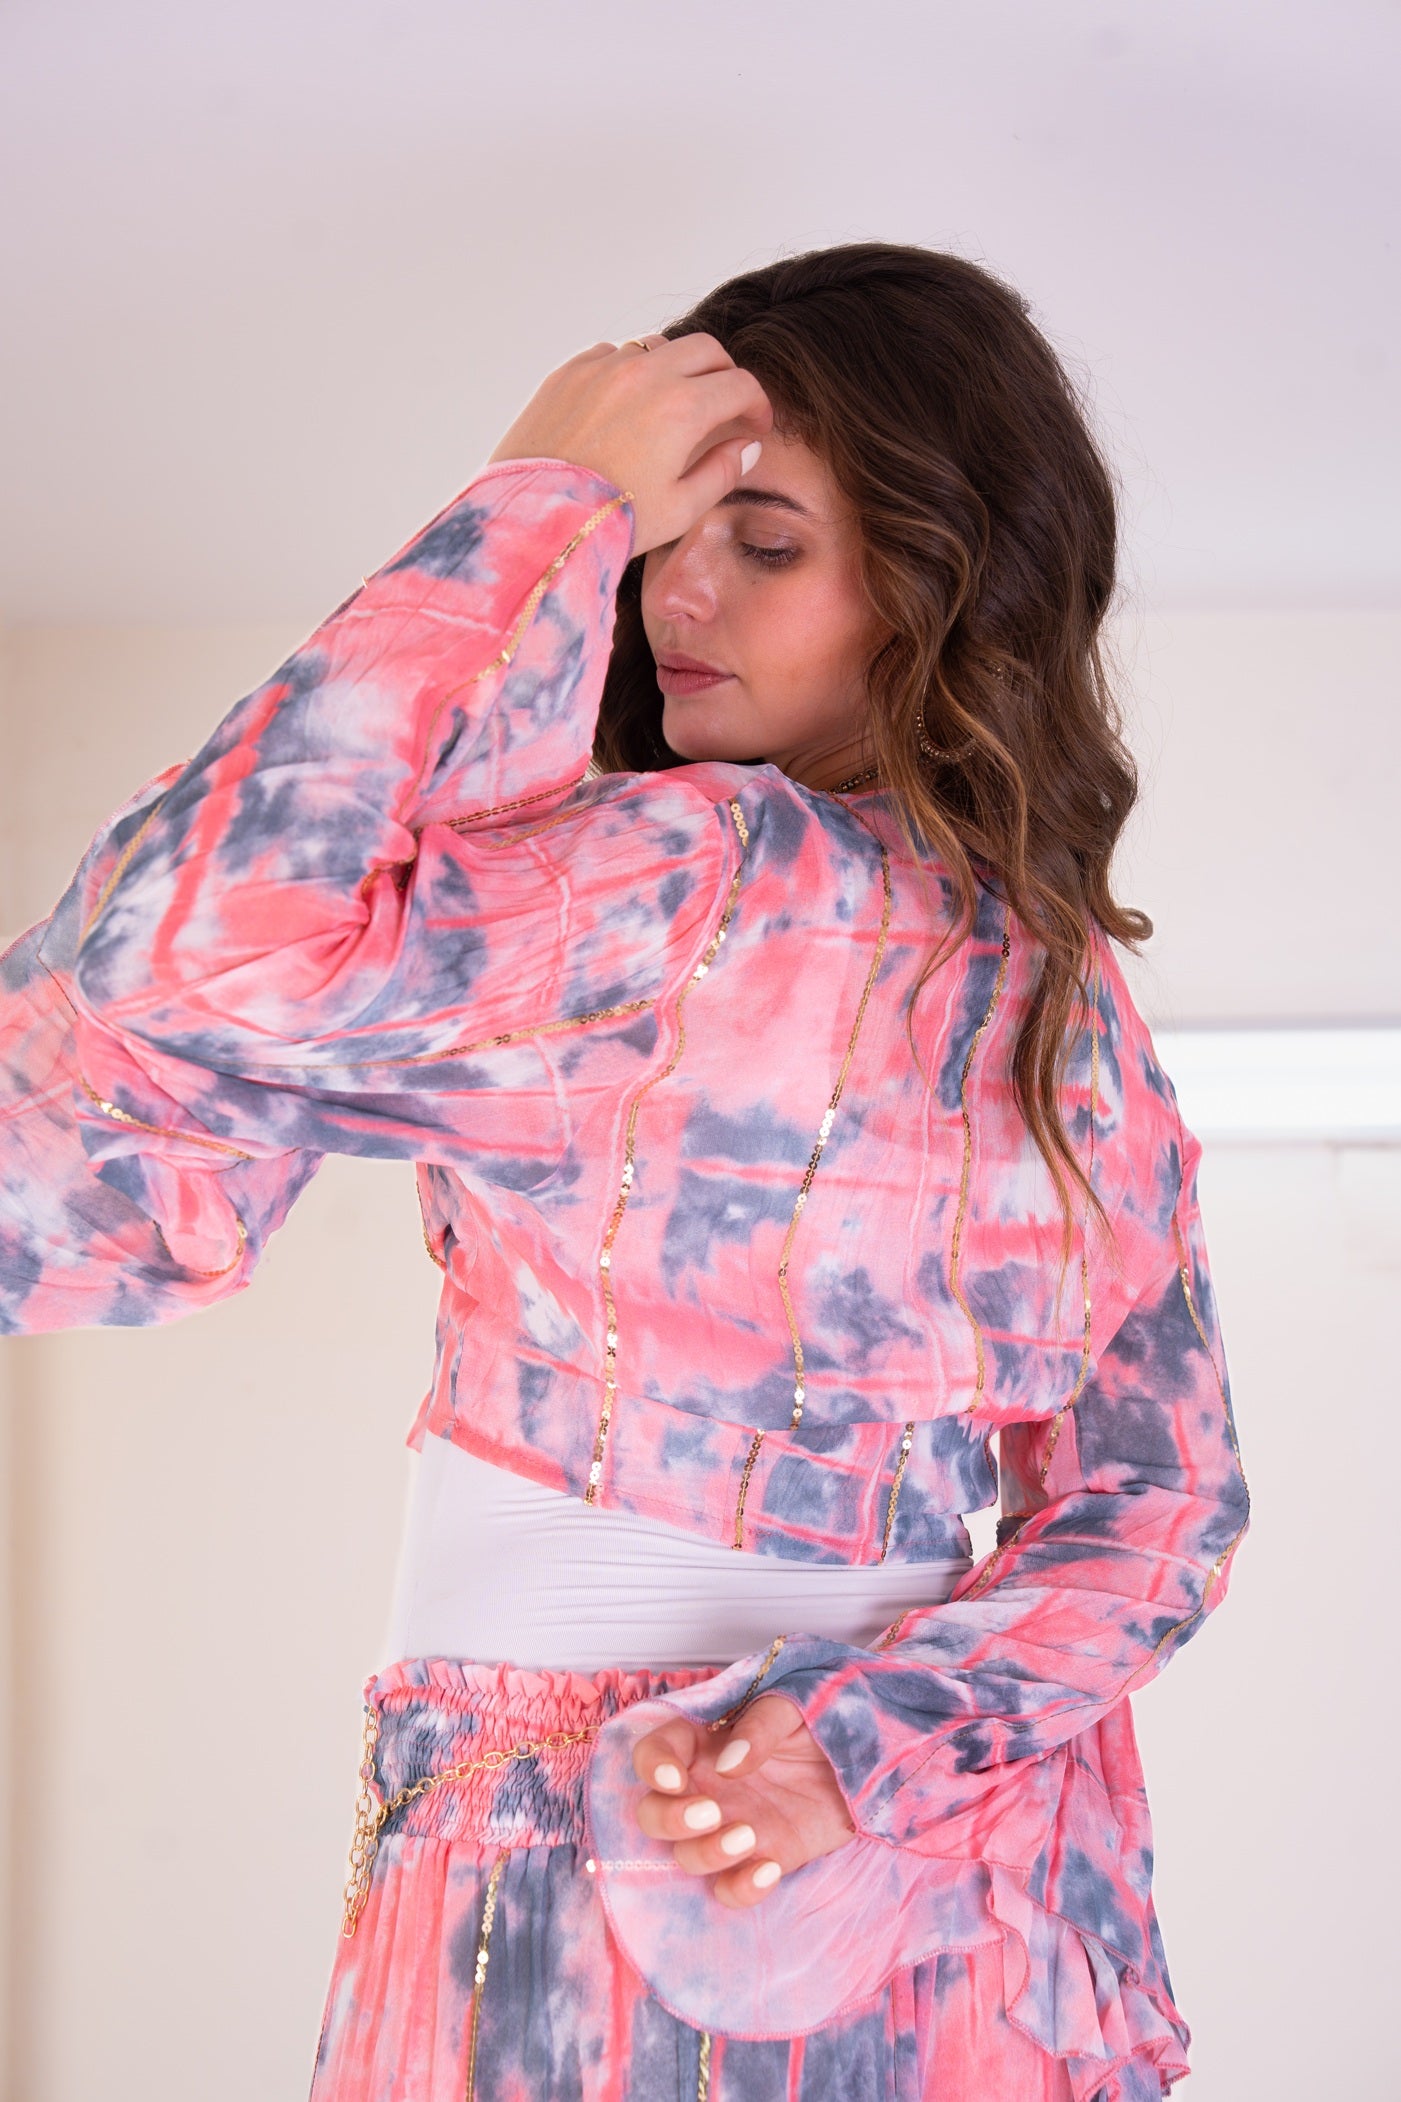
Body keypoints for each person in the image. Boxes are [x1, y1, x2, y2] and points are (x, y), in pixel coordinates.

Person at [0, 242, 1250, 2101]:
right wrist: (858, 1746)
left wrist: (534, 500)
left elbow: (177, 954)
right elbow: (1167, 1509)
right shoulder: (1072, 994)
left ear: (936, 580)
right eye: (662, 533)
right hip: (975, 1904)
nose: (673, 590)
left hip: (581, 1862)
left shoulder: (690, 881)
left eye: (762, 540)